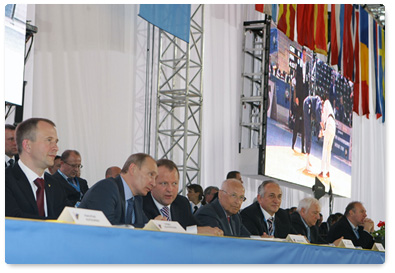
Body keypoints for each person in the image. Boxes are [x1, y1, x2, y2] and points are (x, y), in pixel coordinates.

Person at [5, 118, 69, 219]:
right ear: (27, 145)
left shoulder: (56, 186)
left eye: (56, 142)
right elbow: (15, 222)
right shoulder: (5, 181)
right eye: (49, 140)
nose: (56, 148)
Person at [79, 153, 163, 227]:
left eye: (155, 178)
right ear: (133, 169)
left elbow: (144, 226)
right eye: (151, 174)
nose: (153, 183)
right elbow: (107, 228)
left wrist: (154, 226)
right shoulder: (107, 188)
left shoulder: (137, 199)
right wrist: (147, 227)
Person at [143, 159, 223, 236]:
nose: (170, 189)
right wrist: (193, 232)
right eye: (164, 183)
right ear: (152, 183)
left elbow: (198, 228)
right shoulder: (141, 203)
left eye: (174, 183)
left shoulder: (181, 203)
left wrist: (210, 231)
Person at [292, 47, 310, 153]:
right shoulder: (298, 66)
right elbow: (298, 83)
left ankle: (303, 147)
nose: (304, 56)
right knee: (297, 122)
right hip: (299, 95)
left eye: (305, 54)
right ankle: (293, 143)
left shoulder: (307, 68)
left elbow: (307, 84)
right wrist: (297, 97)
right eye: (303, 54)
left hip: (305, 96)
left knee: (304, 122)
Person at [302, 95, 322, 171]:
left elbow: (317, 118)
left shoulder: (316, 102)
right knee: (308, 131)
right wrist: (320, 123)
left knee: (309, 132)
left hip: (308, 105)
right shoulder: (319, 101)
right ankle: (307, 162)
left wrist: (318, 131)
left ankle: (308, 158)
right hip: (307, 104)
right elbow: (317, 111)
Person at [319, 97, 336, 178]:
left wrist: (322, 132)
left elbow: (323, 123)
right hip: (333, 125)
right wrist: (323, 131)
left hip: (329, 123)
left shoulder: (326, 103)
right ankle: (328, 171)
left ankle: (322, 171)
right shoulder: (328, 106)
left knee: (325, 149)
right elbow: (323, 125)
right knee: (328, 150)